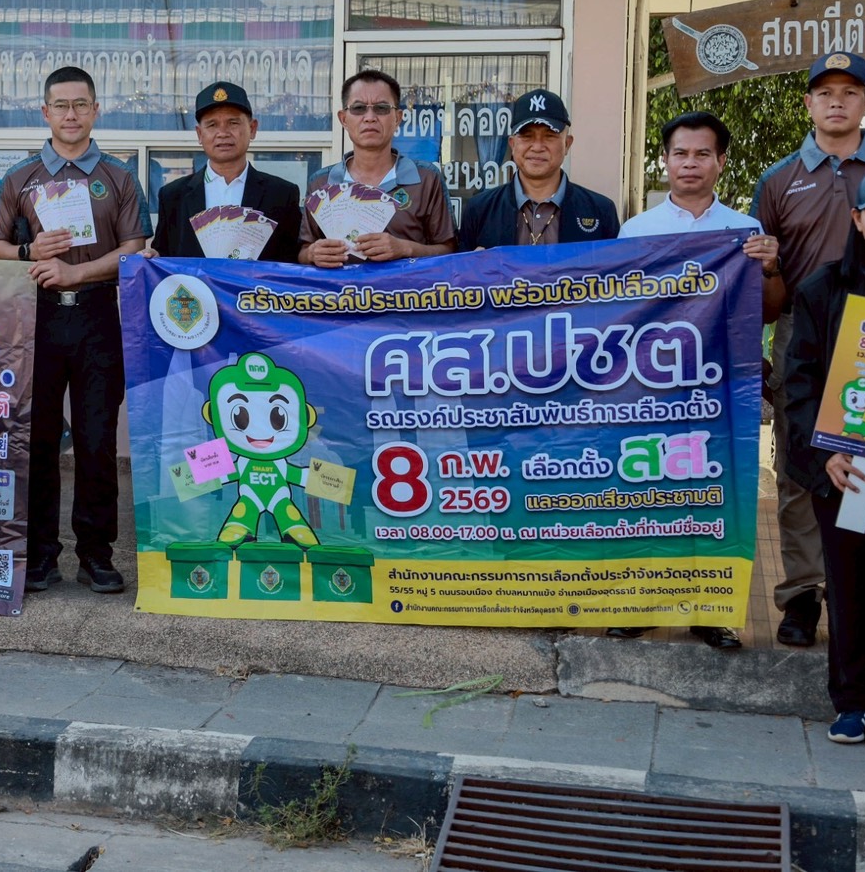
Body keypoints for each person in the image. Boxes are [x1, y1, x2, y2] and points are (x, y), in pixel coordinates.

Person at [753, 51, 865, 647]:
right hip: (806, 337)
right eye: (825, 93)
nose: (837, 102)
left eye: (850, 92)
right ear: (809, 104)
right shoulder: (778, 180)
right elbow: (763, 277)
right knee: (803, 466)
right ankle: (802, 594)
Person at [608, 111, 786, 648]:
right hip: (649, 391)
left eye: (702, 154)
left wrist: (770, 267)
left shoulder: (745, 232)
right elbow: (613, 315)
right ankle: (640, 605)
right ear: (665, 161)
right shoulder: (635, 231)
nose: (690, 163)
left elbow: (769, 311)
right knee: (647, 496)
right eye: (680, 153)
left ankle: (711, 611)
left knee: (713, 499)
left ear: (721, 162)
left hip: (719, 391)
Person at [0, 66, 150, 594]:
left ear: (95, 110)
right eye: (61, 105)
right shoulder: (20, 177)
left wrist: (79, 272)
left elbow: (135, 248)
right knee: (40, 439)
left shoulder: (120, 176)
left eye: (80, 104)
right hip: (39, 318)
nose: (71, 114)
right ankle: (39, 554)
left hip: (98, 315)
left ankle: (97, 555)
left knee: (98, 441)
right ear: (45, 111)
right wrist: (28, 251)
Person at [783, 166, 865, 751]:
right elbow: (800, 382)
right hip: (849, 466)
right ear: (858, 220)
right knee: (847, 583)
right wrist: (825, 455)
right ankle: (850, 700)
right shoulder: (823, 288)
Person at [299, 70, 454, 267]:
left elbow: (450, 250)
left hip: (406, 287)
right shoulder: (321, 183)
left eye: (381, 108)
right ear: (343, 119)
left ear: (398, 118)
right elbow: (302, 252)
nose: (370, 117)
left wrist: (405, 249)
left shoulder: (426, 178)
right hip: (340, 288)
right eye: (358, 108)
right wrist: (313, 254)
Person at [149, 81, 300, 262]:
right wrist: (153, 258)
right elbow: (163, 256)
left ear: (252, 129)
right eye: (212, 125)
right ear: (199, 134)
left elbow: (293, 260)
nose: (223, 133)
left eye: (233, 123)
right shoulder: (173, 196)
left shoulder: (282, 194)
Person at [458, 89, 619, 250]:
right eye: (527, 136)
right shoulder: (479, 210)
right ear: (512, 144)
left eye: (549, 136)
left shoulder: (600, 211)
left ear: (567, 144)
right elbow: (462, 265)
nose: (537, 147)